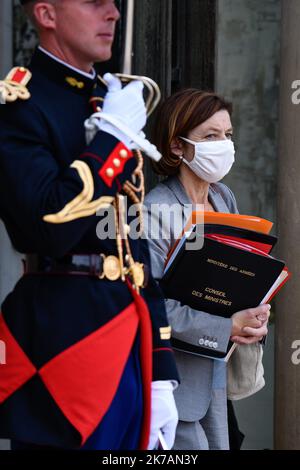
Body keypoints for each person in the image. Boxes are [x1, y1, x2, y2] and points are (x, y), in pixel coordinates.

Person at [0, 0, 179, 450]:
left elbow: (130, 246)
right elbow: (47, 226)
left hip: (128, 337)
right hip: (63, 344)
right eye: (94, 2)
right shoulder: (20, 104)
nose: (114, 13)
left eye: (114, 3)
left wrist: (160, 374)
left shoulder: (111, 97)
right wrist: (113, 139)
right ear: (46, 14)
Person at [144, 89, 270, 450]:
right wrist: (225, 325)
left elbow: (235, 273)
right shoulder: (154, 212)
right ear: (176, 146)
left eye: (227, 135)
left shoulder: (223, 197)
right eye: (210, 136)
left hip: (218, 376)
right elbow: (151, 308)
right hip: (178, 382)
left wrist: (255, 310)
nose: (223, 145)